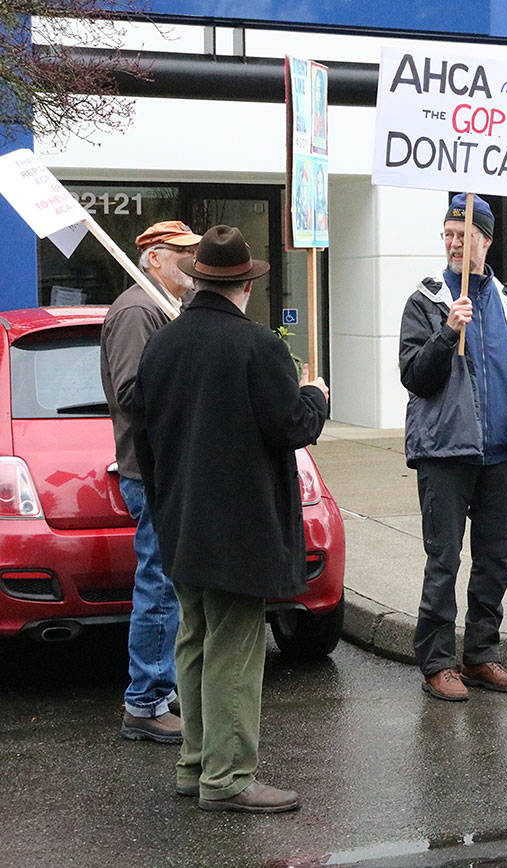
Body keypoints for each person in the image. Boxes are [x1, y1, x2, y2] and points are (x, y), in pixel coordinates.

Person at [135, 225, 329, 812]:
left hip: (181, 520)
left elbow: (144, 442)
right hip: (240, 530)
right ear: (245, 284)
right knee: (234, 652)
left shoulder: (162, 344)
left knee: (194, 641)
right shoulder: (258, 347)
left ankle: (196, 765)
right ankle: (228, 776)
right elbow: (293, 426)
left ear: (198, 280)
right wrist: (315, 393)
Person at [399, 193, 507, 702]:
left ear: (486, 239)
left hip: (502, 453)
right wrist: (447, 333)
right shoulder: (428, 299)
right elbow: (413, 376)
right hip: (445, 451)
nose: (454, 243)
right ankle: (437, 661)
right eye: (448, 234)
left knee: (496, 558)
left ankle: (481, 653)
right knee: (444, 559)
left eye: (464, 235)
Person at [100, 219, 202, 744]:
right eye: (184, 253)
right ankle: (144, 702)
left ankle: (157, 690)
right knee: (159, 587)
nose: (193, 261)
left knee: (166, 585)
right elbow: (133, 392)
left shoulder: (163, 309)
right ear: (157, 257)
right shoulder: (139, 310)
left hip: (164, 467)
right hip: (152, 469)